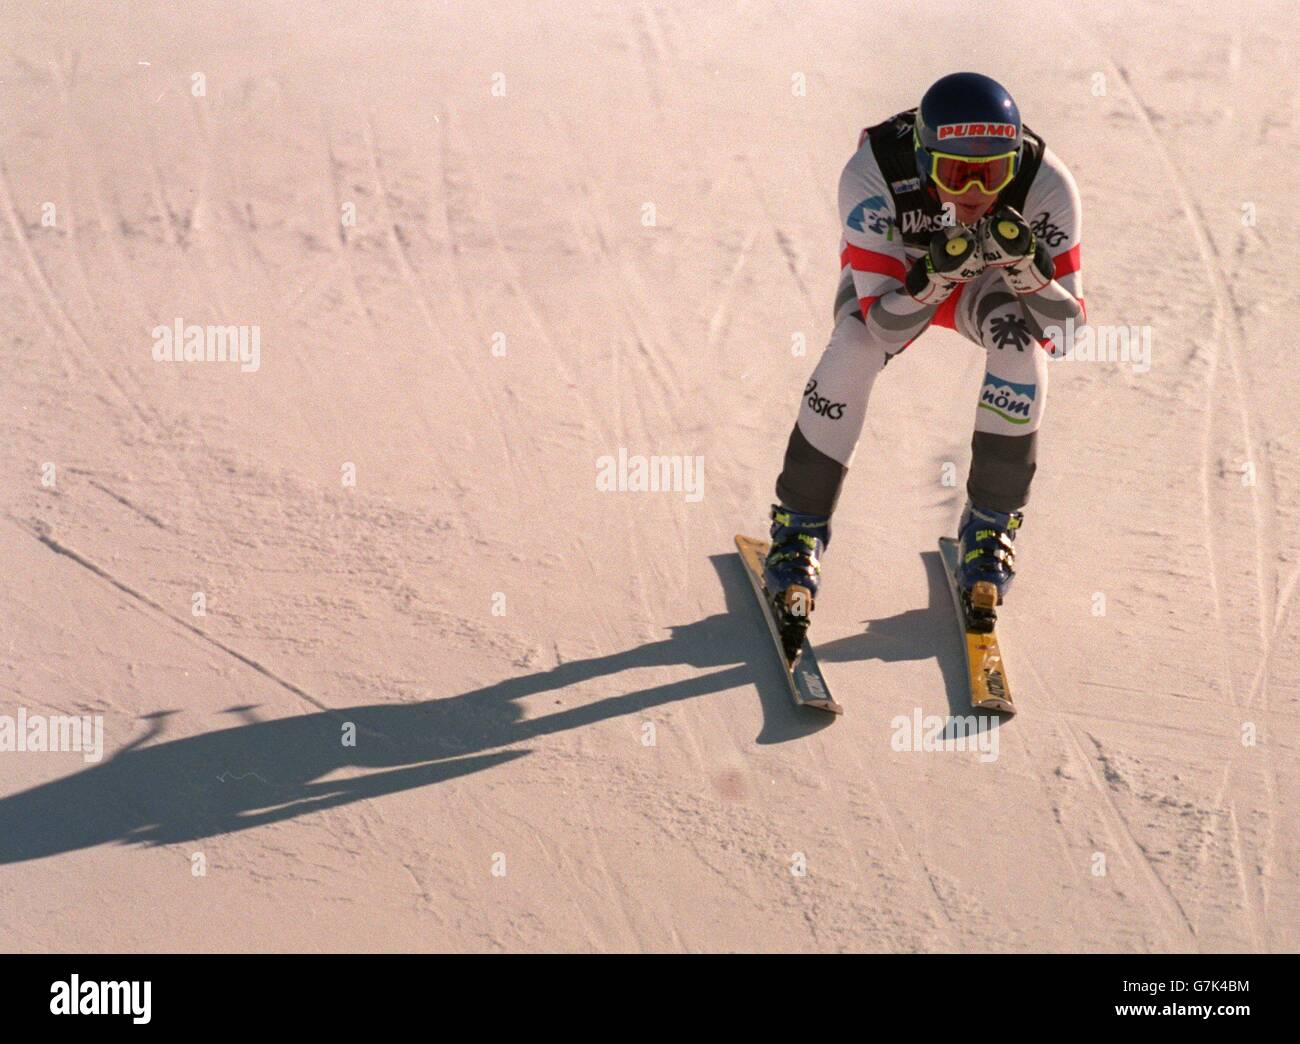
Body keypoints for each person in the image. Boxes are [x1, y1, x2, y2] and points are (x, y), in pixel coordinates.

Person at [763, 71, 1084, 658]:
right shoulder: (872, 171)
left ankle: (990, 527)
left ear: (1016, 161)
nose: (974, 191)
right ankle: (798, 530)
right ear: (922, 158)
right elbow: (884, 324)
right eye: (953, 172)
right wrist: (932, 278)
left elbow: (1065, 334)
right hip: (896, 287)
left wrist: (1031, 273)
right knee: (856, 344)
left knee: (1020, 342)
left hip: (986, 288)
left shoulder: (1046, 182)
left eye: (993, 173)